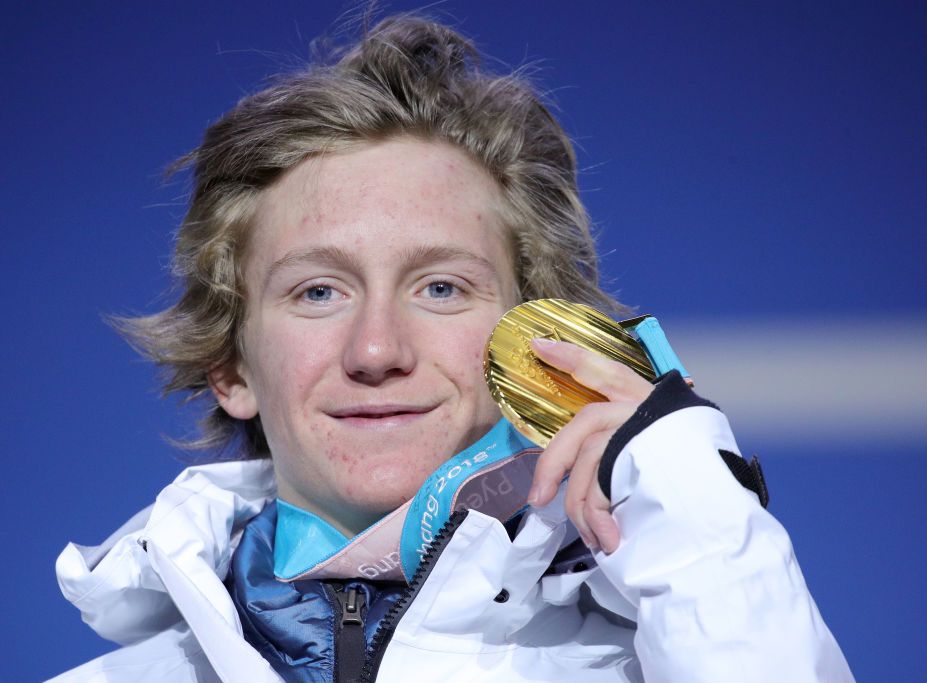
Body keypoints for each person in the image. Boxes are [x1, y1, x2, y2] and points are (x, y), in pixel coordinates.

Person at [51, 15, 853, 683]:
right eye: (317, 292)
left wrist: (688, 492)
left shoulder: (678, 649)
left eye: (439, 288)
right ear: (229, 365)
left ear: (541, 344)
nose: (376, 349)